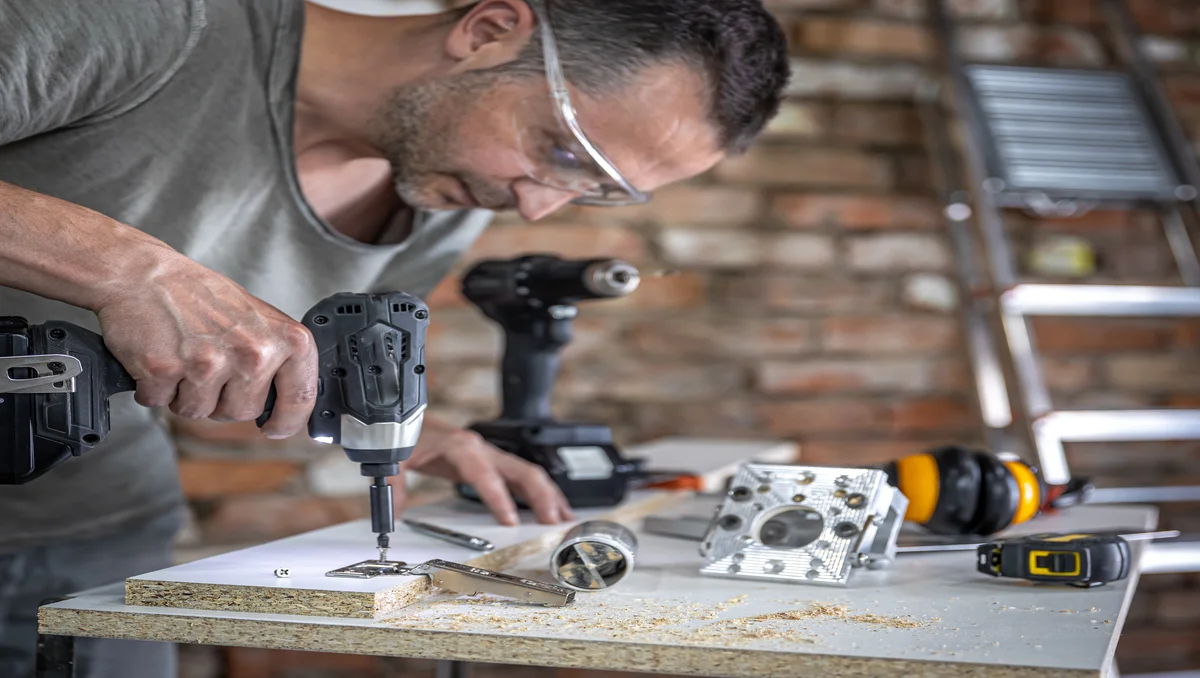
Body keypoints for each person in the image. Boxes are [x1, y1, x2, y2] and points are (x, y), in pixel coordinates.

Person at [0, 0, 790, 675]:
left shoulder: (445, 197)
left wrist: (401, 422)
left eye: (592, 193)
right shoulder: (162, 25)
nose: (538, 208)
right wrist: (131, 273)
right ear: (488, 30)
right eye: (558, 151)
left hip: (89, 530)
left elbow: (297, 352)